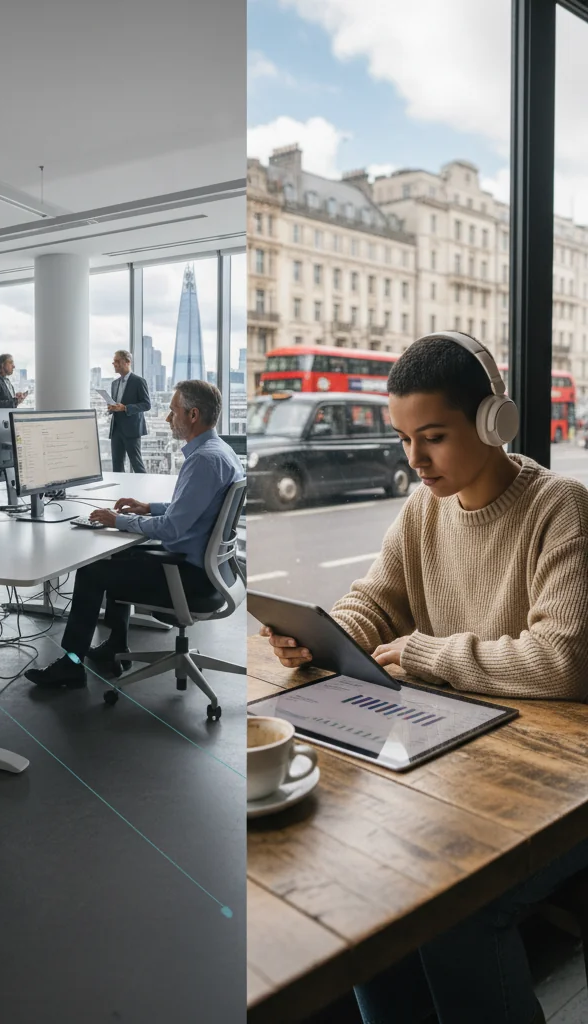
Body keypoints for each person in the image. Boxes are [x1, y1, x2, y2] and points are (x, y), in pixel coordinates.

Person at [259, 333, 588, 1024]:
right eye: (405, 438)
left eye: (433, 436)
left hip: (559, 789)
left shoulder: (562, 508)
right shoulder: (422, 510)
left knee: (454, 914)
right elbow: (377, 600)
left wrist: (426, 654)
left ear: (494, 421)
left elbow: (562, 659)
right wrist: (323, 635)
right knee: (367, 892)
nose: (415, 460)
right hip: (467, 768)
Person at [25, 380, 243, 687]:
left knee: (91, 570)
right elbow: (193, 508)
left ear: (193, 415)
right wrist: (147, 507)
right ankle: (116, 644)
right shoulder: (220, 452)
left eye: (173, 411)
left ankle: (72, 665)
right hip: (209, 572)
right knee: (119, 554)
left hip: (190, 579)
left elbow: (172, 528)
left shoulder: (204, 460)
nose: (168, 419)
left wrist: (118, 521)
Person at [106, 350, 151, 474]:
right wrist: (112, 408)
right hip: (116, 429)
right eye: (113, 361)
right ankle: (120, 492)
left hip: (132, 429)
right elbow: (116, 404)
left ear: (127, 362)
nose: (114, 364)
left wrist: (125, 408)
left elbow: (146, 405)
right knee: (117, 465)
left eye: (117, 361)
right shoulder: (114, 384)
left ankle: (143, 491)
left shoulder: (138, 381)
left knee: (136, 464)